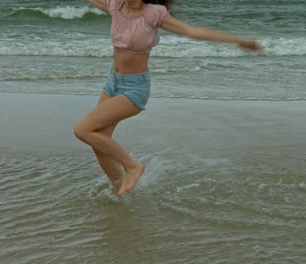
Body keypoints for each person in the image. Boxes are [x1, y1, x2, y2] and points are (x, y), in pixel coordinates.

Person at [74, 0, 262, 196]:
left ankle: (132, 167)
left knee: (83, 129)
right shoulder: (115, 5)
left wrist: (237, 40)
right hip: (112, 82)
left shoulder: (154, 13)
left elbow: (192, 31)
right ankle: (121, 192)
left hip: (134, 88)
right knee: (99, 142)